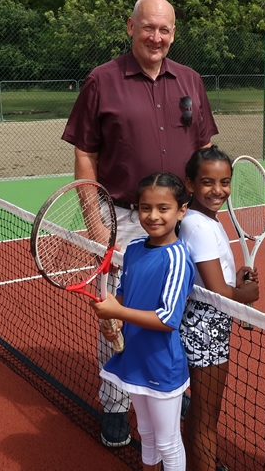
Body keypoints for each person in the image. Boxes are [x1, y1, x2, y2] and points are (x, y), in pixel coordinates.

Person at [61, 0, 218, 447]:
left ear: (174, 32)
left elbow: (205, 151)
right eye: (148, 27)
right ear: (130, 26)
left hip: (185, 217)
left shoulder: (190, 80)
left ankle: (173, 386)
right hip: (124, 218)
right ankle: (114, 404)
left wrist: (205, 215)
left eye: (165, 29)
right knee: (118, 314)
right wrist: (97, 225)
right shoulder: (102, 81)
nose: (156, 37)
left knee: (183, 306)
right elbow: (85, 153)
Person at [91, 172, 196, 471]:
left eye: (163, 208)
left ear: (181, 210)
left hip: (162, 364)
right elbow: (125, 295)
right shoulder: (135, 248)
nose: (153, 216)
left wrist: (119, 312)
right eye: (145, 207)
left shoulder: (176, 258)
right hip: (133, 358)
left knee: (168, 441)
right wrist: (113, 315)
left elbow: (167, 318)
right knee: (146, 434)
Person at [179, 146, 260, 471]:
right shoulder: (198, 226)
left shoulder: (204, 219)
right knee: (206, 416)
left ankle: (198, 462)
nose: (218, 190)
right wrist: (244, 293)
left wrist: (236, 280)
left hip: (205, 324)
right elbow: (218, 292)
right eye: (208, 182)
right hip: (206, 329)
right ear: (190, 183)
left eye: (224, 182)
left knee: (200, 411)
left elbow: (215, 278)